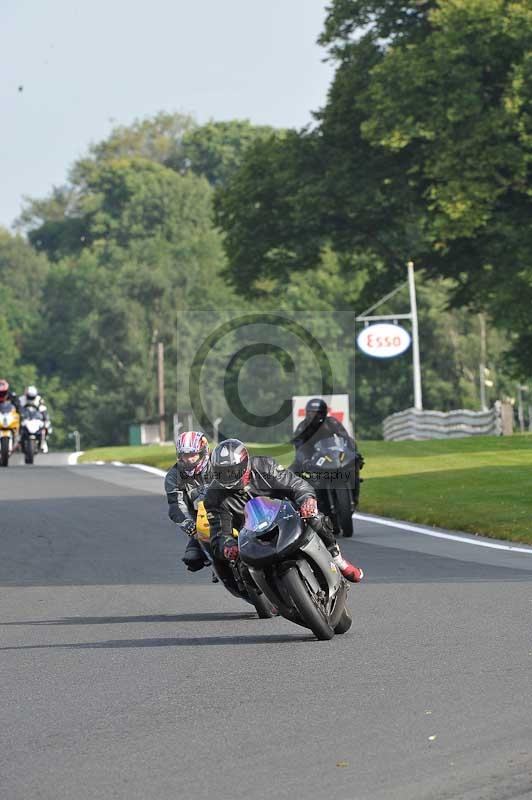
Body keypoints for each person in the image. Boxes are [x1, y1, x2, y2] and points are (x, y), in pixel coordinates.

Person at [205, 438, 363, 582]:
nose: (228, 476)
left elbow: (296, 485)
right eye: (222, 472)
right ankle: (261, 594)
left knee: (315, 517)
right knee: (236, 566)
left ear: (245, 464)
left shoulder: (265, 467)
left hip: (285, 517)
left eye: (232, 470)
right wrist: (227, 546)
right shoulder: (214, 495)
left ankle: (337, 559)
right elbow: (219, 532)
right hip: (249, 534)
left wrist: (306, 500)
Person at [292, 397, 364, 506]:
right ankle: (300, 505)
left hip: (330, 453)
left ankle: (355, 494)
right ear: (307, 413)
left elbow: (346, 438)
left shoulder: (332, 422)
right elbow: (299, 447)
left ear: (324, 413)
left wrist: (353, 452)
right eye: (311, 413)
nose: (315, 416)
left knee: (354, 463)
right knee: (292, 473)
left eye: (318, 413)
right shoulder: (302, 427)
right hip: (310, 456)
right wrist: (305, 460)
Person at [164, 430, 214, 573]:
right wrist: (190, 526)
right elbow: (176, 506)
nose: (189, 459)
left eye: (193, 454)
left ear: (203, 452)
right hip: (202, 523)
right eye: (185, 455)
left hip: (229, 513)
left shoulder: (218, 465)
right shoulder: (173, 476)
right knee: (192, 559)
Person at [19, 385, 51, 453]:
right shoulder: (21, 399)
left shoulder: (39, 399)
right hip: (25, 419)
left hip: (36, 419)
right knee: (18, 427)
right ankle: (18, 441)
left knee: (46, 426)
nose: (31, 398)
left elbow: (43, 409)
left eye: (32, 397)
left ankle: (43, 442)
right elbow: (18, 409)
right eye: (29, 396)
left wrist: (45, 418)